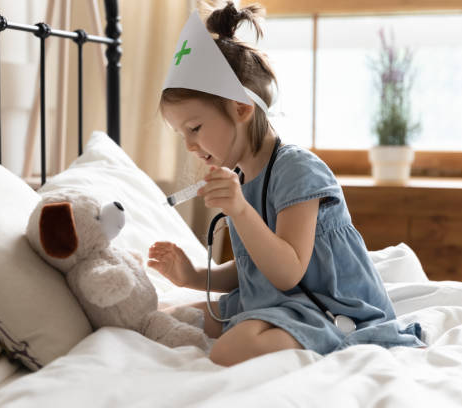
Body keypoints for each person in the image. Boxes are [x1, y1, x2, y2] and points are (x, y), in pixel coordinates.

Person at [148, 2, 424, 367]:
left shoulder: (297, 170)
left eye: (195, 128)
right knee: (170, 316)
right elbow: (254, 267)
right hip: (282, 301)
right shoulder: (243, 178)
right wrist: (195, 276)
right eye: (181, 133)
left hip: (333, 310)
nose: (189, 145)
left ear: (242, 109)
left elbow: (287, 270)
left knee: (231, 348)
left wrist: (240, 210)